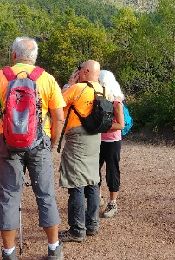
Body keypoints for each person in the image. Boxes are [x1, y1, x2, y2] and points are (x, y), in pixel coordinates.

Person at [0, 37, 65, 259]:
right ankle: (54, 249)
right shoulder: (46, 79)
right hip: (39, 143)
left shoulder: (2, 76)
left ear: (14, 55)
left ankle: (8, 252)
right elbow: (59, 117)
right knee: (45, 195)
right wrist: (52, 141)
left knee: (8, 196)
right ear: (34, 57)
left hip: (7, 144)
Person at [58, 60, 104, 242]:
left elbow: (58, 104)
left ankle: (77, 229)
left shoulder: (77, 89)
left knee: (76, 181)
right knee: (92, 179)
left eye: (79, 70)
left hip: (77, 138)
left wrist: (69, 84)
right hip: (95, 137)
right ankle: (92, 225)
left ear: (85, 71)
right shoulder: (103, 90)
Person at [98, 70, 125, 218]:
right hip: (97, 139)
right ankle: (98, 198)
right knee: (94, 170)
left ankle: (113, 202)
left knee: (112, 171)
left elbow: (121, 124)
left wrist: (100, 126)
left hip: (112, 141)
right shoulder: (96, 97)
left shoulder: (116, 101)